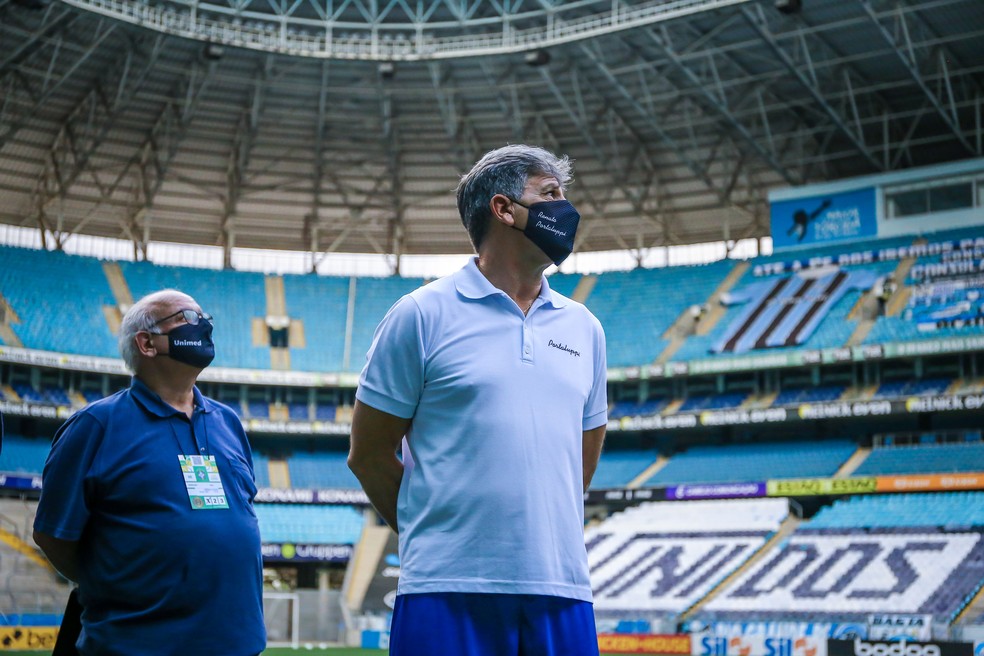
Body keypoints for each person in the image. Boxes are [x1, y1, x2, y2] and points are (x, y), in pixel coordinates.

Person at [348, 144, 608, 656]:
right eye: (550, 194)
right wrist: (441, 530)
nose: (567, 210)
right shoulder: (420, 314)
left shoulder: (586, 328)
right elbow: (369, 454)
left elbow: (582, 454)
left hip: (561, 589)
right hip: (445, 589)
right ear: (503, 208)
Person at [33, 290, 266, 656]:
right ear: (147, 343)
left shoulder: (229, 422)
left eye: (205, 318)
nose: (203, 326)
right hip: (136, 646)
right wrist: (119, 585)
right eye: (187, 317)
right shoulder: (95, 426)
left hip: (239, 645)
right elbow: (53, 535)